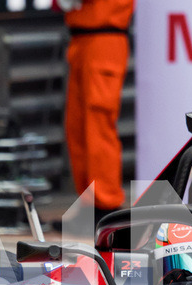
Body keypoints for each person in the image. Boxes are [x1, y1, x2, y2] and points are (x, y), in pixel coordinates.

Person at [56, 0, 135, 226]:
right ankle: (90, 202)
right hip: (83, 38)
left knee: (98, 125)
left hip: (104, 39)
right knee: (78, 127)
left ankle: (106, 204)